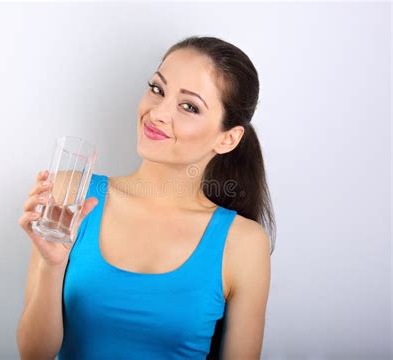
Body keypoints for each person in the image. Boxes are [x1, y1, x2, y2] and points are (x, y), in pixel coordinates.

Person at [16, 35, 276, 360]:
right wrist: (52, 266)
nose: (158, 113)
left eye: (189, 107)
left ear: (227, 139)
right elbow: (33, 354)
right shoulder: (71, 196)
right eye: (157, 89)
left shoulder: (244, 243)